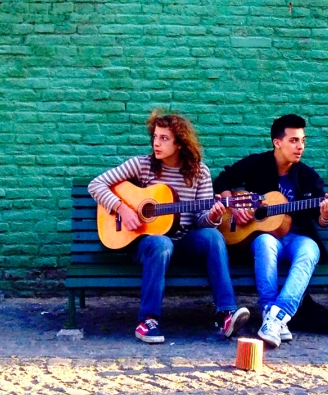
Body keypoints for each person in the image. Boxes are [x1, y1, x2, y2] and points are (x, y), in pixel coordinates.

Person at [88, 110, 249, 344]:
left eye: (164, 138)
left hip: (183, 242)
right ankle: (147, 321)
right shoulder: (142, 165)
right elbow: (97, 184)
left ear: (180, 143)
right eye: (155, 136)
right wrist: (121, 208)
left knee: (213, 236)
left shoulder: (199, 172)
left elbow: (200, 220)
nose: (156, 143)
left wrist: (213, 216)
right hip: (146, 244)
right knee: (161, 242)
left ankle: (226, 313)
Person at [214, 114, 328, 347]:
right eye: (293, 140)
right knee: (264, 243)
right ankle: (270, 311)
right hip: (265, 237)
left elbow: (320, 220)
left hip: (298, 238)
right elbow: (221, 182)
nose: (300, 146)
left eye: (302, 140)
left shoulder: (308, 177)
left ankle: (277, 316)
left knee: (311, 251)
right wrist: (234, 204)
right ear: (277, 142)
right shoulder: (257, 164)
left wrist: (326, 216)